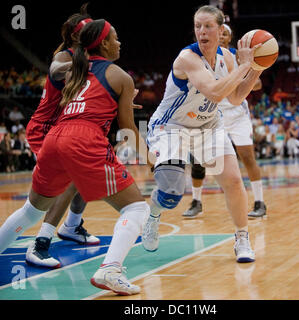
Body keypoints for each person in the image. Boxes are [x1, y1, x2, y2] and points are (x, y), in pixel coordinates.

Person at [0, 19, 151, 295]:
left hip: (55, 137)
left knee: (31, 210)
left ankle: (66, 227)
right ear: (103, 43)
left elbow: (87, 96)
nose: (119, 42)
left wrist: (117, 102)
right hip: (81, 137)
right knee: (137, 208)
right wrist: (151, 158)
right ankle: (110, 269)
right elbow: (128, 127)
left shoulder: (78, 70)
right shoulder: (116, 74)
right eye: (115, 37)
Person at [142, 5, 262, 263]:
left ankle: (242, 238)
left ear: (220, 30)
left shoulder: (226, 58)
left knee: (232, 180)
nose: (202, 32)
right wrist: (246, 67)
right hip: (172, 126)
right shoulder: (187, 58)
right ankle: (153, 213)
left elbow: (235, 96)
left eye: (208, 26)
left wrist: (257, 68)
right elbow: (216, 93)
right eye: (198, 26)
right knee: (171, 195)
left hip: (208, 125)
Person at [24, 5, 99, 269]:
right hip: (45, 129)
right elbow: (57, 68)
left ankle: (72, 226)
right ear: (77, 37)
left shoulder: (93, 59)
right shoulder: (66, 57)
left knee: (86, 173)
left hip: (68, 129)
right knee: (67, 181)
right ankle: (39, 243)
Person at [183, 22, 267, 219]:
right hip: (212, 114)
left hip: (237, 113)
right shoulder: (200, 57)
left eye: (225, 33)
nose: (221, 36)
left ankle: (259, 201)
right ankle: (196, 201)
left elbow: (258, 83)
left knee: (247, 157)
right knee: (198, 161)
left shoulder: (238, 57)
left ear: (229, 38)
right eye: (219, 33)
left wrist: (238, 80)